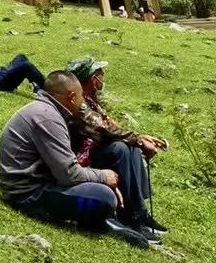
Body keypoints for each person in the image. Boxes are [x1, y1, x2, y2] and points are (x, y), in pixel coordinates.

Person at [0, 70, 159, 248]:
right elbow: (68, 175)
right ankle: (104, 221)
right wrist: (104, 177)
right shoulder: (47, 118)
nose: (83, 102)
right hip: (28, 194)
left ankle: (116, 218)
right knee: (103, 197)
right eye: (81, 97)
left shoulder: (46, 111)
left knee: (101, 184)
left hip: (38, 183)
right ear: (72, 96)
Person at [66, 56, 168, 237]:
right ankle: (130, 214)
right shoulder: (79, 103)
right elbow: (102, 128)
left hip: (94, 149)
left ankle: (140, 211)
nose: (103, 78)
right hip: (81, 156)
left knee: (130, 147)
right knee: (120, 149)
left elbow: (111, 125)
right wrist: (137, 139)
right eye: (100, 74)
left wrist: (138, 139)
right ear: (92, 79)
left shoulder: (91, 101)